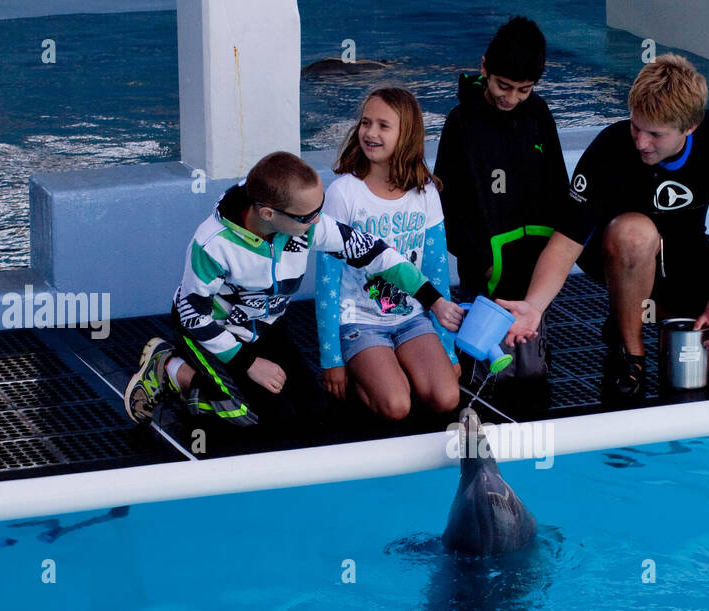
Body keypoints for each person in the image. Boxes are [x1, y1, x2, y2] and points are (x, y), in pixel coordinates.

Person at [124, 151, 463, 431]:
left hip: (267, 326)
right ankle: (169, 369)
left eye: (320, 208)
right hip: (213, 331)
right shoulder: (212, 244)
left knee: (315, 413)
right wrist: (248, 363)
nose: (318, 221)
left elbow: (371, 252)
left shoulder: (302, 222)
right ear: (268, 213)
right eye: (309, 216)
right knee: (247, 417)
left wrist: (432, 300)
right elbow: (191, 313)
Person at [498, 54, 709, 397]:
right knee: (636, 233)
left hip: (686, 252)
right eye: (635, 126)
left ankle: (654, 312)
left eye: (655, 134)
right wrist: (534, 306)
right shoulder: (609, 149)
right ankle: (630, 351)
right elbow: (565, 243)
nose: (640, 142)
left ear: (690, 127)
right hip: (620, 252)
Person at [433, 15, 568, 382]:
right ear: (484, 69)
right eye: (503, 86)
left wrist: (556, 254)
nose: (512, 99)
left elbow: (558, 185)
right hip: (486, 267)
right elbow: (447, 202)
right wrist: (480, 260)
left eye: (523, 90)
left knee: (531, 370)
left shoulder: (538, 113)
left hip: (535, 264)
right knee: (486, 368)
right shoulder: (461, 123)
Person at [316, 88, 461, 421]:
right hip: (360, 322)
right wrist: (332, 360)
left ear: (406, 134)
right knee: (396, 406)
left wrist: (447, 348)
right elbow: (327, 282)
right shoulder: (344, 193)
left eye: (384, 125)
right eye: (366, 123)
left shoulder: (424, 192)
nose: (370, 132)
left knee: (446, 397)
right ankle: (364, 376)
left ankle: (395, 368)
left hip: (411, 319)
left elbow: (436, 274)